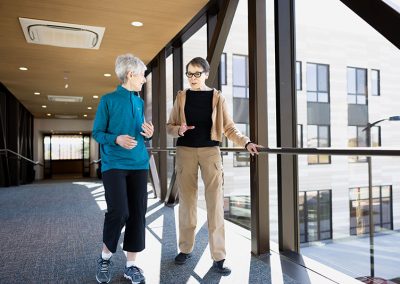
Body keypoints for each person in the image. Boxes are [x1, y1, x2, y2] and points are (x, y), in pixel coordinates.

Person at [166, 57, 259, 275]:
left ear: (206, 74)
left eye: (197, 74)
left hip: (211, 153)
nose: (192, 78)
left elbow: (228, 127)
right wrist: (179, 129)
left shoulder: (217, 98)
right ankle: (185, 249)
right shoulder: (181, 97)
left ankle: (219, 257)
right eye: (189, 74)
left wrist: (246, 142)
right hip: (185, 152)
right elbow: (169, 126)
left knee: (215, 204)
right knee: (187, 203)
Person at [92, 53, 153, 284]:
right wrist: (116, 139)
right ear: (130, 74)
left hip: (139, 164)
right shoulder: (107, 100)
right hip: (114, 164)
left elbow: (140, 130)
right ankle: (105, 258)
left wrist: (149, 132)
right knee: (119, 211)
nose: (144, 79)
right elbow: (97, 133)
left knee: (137, 213)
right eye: (142, 75)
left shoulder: (138, 101)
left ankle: (131, 265)